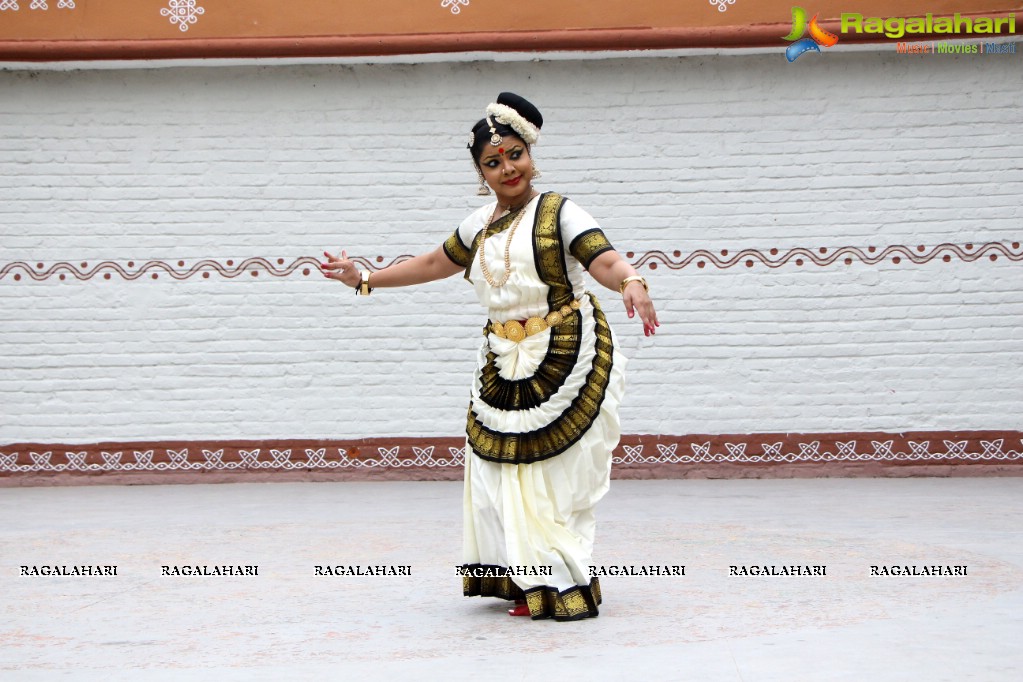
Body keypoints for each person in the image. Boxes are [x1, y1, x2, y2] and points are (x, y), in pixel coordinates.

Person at [322, 92, 658, 621]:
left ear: (531, 154)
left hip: (563, 353)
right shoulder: (478, 224)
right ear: (481, 172)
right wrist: (365, 277)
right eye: (493, 162)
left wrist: (632, 282)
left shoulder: (561, 212)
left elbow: (604, 258)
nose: (508, 168)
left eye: (515, 155)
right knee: (494, 473)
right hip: (503, 356)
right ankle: (524, 578)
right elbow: (434, 262)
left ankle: (558, 580)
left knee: (546, 476)